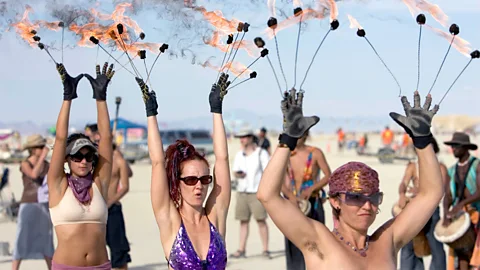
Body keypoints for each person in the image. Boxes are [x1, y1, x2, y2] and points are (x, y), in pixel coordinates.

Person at [257, 90, 443, 269]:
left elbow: (431, 194)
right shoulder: (319, 241)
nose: (367, 206)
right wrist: (288, 140)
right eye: (356, 197)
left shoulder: (386, 241)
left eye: (373, 198)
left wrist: (423, 140)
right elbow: (267, 196)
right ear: (335, 202)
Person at [135, 73, 231, 269]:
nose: (199, 186)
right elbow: (157, 162)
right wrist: (151, 113)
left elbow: (222, 159)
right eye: (190, 180)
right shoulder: (170, 221)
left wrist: (216, 109)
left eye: (205, 179)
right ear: (177, 182)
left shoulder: (216, 216)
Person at [47, 62, 115, 269]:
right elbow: (60, 140)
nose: (83, 161)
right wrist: (68, 98)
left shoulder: (99, 184)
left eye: (88, 156)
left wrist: (100, 98)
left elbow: (105, 139)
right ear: (67, 159)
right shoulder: (58, 184)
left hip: (101, 265)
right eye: (77, 156)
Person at [280, 130, 332, 270]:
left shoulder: (315, 153)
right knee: (294, 241)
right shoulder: (285, 154)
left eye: (299, 136)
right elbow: (278, 180)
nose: (296, 139)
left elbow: (328, 175)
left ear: (306, 135)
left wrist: (312, 188)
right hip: (292, 203)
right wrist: (291, 196)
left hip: (313, 202)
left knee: (317, 240)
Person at [85, 123, 133, 270]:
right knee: (93, 250)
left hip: (112, 210)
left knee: (119, 251)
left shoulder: (119, 160)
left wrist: (110, 202)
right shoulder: (94, 160)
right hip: (94, 209)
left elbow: (125, 186)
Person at [397, 137, 447, 270]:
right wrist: (402, 194)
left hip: (432, 210)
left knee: (435, 246)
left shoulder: (440, 167)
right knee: (407, 243)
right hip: (415, 208)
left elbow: (441, 189)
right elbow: (403, 183)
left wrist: (420, 190)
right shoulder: (413, 166)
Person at [12, 134, 53, 270]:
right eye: (40, 147)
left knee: (46, 238)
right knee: (22, 238)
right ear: (33, 149)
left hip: (44, 204)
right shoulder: (25, 163)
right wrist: (42, 157)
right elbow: (34, 174)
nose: (43, 149)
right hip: (28, 203)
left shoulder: (47, 165)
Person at [230, 128, 270, 259]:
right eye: (240, 137)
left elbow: (268, 171)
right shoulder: (239, 154)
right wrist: (238, 174)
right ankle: (241, 249)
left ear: (251, 138)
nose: (242, 140)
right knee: (243, 221)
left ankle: (265, 249)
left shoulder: (261, 153)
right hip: (242, 192)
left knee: (261, 221)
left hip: (256, 192)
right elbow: (235, 171)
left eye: (245, 137)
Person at [442, 132, 480, 270]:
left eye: (456, 146)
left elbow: (479, 192)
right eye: (452, 146)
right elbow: (447, 196)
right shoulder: (451, 170)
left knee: (475, 252)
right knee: (461, 252)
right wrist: (446, 214)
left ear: (465, 148)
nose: (454, 149)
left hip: (477, 211)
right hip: (461, 214)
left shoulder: (477, 165)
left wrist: (461, 204)